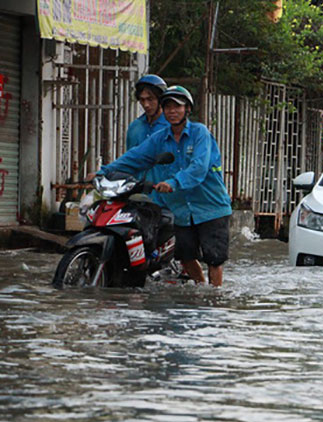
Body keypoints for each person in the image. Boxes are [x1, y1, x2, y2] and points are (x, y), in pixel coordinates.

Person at [89, 85, 232, 286]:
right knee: (185, 257)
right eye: (168, 107)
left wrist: (173, 183)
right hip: (181, 210)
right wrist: (104, 171)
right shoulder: (160, 138)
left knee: (214, 259)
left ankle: (214, 297)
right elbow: (135, 157)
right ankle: (201, 289)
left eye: (177, 107)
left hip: (210, 206)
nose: (172, 111)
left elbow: (198, 167)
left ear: (187, 109)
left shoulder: (200, 133)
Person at [127, 74, 169, 150]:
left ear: (161, 100)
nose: (146, 105)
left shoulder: (172, 126)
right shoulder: (135, 127)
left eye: (150, 99)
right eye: (142, 100)